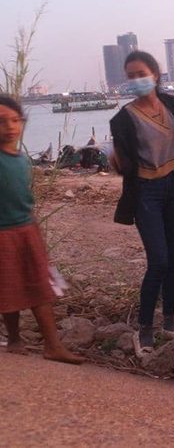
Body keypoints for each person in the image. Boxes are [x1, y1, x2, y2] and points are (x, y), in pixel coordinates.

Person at [110, 50, 174, 349]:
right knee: (158, 260)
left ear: (156, 75)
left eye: (141, 74)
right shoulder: (122, 119)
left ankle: (170, 320)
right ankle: (145, 325)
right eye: (131, 76)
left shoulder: (173, 104)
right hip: (147, 191)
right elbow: (123, 162)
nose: (137, 80)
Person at [0, 95, 84, 364]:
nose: (10, 127)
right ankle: (14, 339)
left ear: (22, 123)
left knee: (39, 287)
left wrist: (36, 232)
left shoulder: (23, 160)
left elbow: (25, 197)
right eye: (1, 122)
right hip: (2, 233)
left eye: (15, 120)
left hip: (26, 230)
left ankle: (52, 344)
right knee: (8, 288)